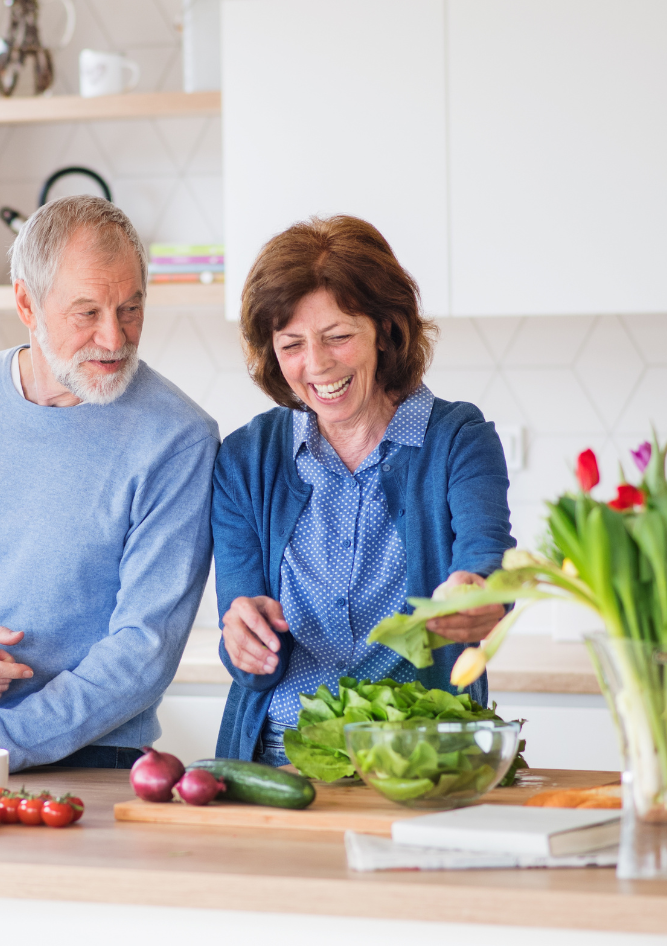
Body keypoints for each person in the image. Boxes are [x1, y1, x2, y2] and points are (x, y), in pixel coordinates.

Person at [0, 195, 219, 772]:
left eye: (131, 308)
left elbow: (143, 652)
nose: (114, 338)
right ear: (26, 302)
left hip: (95, 758)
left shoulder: (177, 438)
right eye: (87, 313)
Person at [213, 216, 514, 766]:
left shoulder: (457, 440)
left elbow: (486, 561)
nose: (318, 364)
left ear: (387, 328)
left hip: (424, 754)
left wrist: (476, 590)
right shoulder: (245, 460)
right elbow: (239, 638)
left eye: (339, 336)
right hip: (282, 759)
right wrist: (243, 640)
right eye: (292, 344)